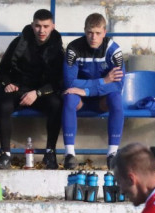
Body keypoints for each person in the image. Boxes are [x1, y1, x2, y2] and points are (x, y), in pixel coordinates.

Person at [0, 8, 63, 170]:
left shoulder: (57, 48)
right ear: (32, 25)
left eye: (46, 26)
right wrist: (7, 83)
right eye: (38, 26)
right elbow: (2, 70)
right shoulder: (20, 42)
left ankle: (50, 153)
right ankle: (5, 154)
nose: (42, 30)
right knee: (4, 104)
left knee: (56, 104)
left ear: (52, 26)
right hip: (19, 88)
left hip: (42, 92)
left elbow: (58, 81)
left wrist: (37, 93)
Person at [61, 12, 123, 171]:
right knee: (69, 97)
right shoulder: (74, 48)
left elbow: (117, 85)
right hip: (79, 99)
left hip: (101, 99)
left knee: (116, 99)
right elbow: (69, 82)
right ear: (84, 31)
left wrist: (87, 90)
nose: (93, 37)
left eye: (97, 33)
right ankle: (69, 154)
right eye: (89, 32)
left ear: (104, 32)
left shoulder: (114, 50)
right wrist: (103, 81)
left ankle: (112, 154)